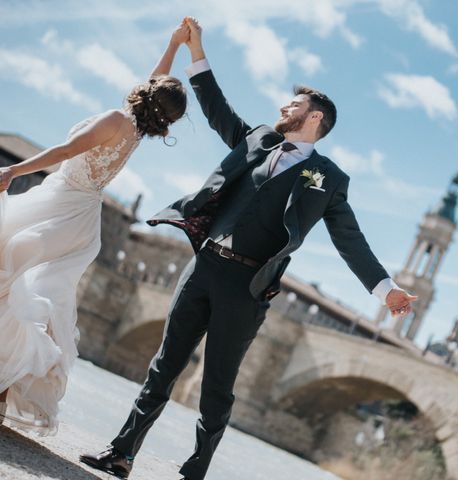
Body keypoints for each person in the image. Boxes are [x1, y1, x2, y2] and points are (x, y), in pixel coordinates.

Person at [81, 17, 417, 480]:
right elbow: (215, 105)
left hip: (248, 287)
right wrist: (196, 50)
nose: (284, 105)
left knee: (217, 386)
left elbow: (350, 239)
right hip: (203, 267)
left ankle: (195, 470)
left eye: (294, 103)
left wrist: (386, 289)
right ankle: (121, 453)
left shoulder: (329, 180)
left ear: (314, 118)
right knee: (163, 367)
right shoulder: (258, 139)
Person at [0, 23, 189, 435]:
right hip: (85, 218)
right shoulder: (137, 131)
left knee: (9, 267)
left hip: (61, 201)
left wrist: (14, 169)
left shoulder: (116, 119)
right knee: (35, 294)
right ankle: (5, 388)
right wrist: (173, 44)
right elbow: (156, 80)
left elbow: (67, 151)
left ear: (146, 95)